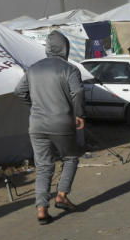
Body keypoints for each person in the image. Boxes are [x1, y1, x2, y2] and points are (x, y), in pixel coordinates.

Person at [14, 31, 86, 225]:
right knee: (70, 158)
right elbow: (78, 92)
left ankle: (41, 210)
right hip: (61, 122)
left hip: (36, 124)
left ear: (47, 48)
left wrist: (34, 107)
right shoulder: (69, 69)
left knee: (44, 166)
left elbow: (19, 91)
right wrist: (79, 114)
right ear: (66, 48)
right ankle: (61, 195)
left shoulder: (32, 69)